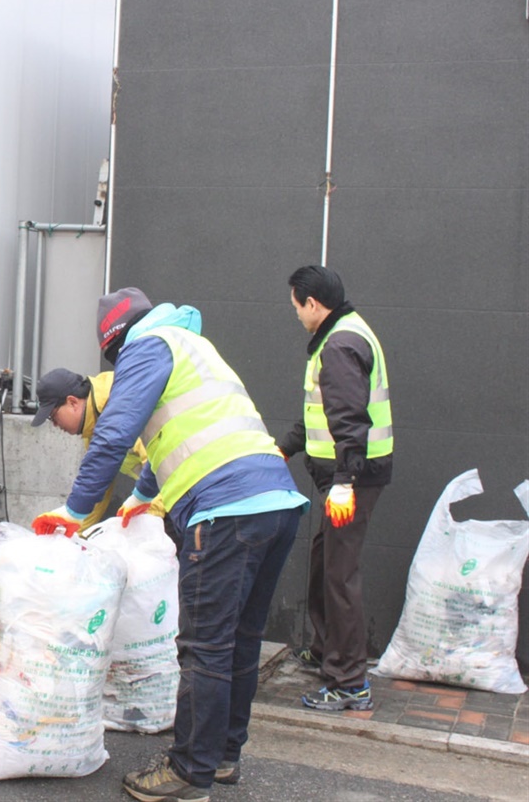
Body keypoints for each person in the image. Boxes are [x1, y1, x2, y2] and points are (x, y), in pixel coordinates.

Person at [38, 287, 307, 802]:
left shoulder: (148, 346)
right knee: (240, 641)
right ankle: (222, 757)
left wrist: (72, 512)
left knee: (204, 648)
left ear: (115, 343)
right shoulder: (191, 346)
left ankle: (188, 774)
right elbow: (179, 432)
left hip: (225, 511)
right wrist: (142, 493)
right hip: (276, 502)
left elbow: (117, 433)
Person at [278, 266, 392, 713]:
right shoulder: (341, 333)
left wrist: (345, 482)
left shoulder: (340, 345)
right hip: (346, 478)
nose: (296, 315)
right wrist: (282, 449)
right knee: (326, 563)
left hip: (352, 481)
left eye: (296, 307)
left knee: (340, 576)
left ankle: (350, 683)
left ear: (312, 304)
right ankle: (328, 653)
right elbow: (316, 416)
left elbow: (350, 421)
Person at [28, 367, 164, 535]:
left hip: (183, 489)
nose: (55, 425)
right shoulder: (93, 429)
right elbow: (98, 489)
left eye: (53, 416)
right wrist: (74, 534)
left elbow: (158, 463)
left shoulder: (117, 407)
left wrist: (151, 520)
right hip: (166, 493)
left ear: (72, 402)